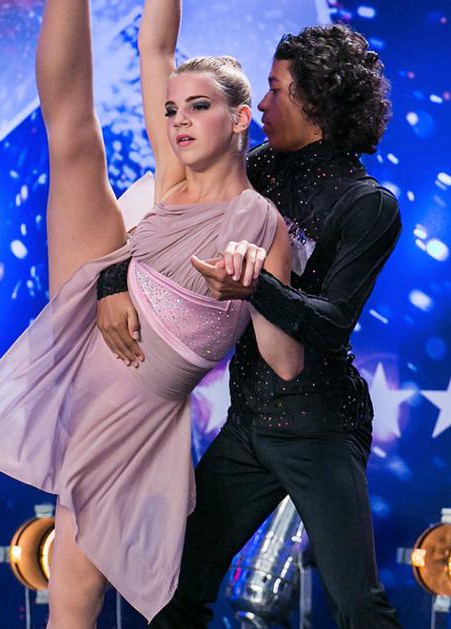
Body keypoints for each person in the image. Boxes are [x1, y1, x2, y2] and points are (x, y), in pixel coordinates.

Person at [0, 0, 304, 627]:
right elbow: (156, 47)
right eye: (171, 110)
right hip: (95, 311)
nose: (179, 121)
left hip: (134, 417)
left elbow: (284, 362)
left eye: (198, 107)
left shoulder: (264, 223)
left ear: (240, 118)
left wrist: (256, 290)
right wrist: (112, 280)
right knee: (73, 136)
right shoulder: (171, 176)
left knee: (74, 591)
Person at [96, 23, 403, 629]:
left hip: (319, 426)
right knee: (175, 590)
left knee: (358, 605)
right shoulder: (254, 168)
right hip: (248, 424)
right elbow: (161, 224)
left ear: (316, 99)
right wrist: (111, 282)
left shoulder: (368, 204)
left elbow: (332, 323)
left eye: (275, 89)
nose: (261, 105)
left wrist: (255, 286)